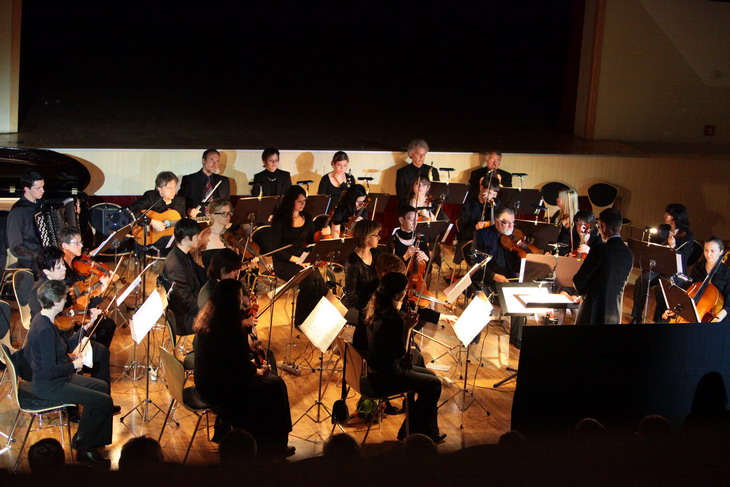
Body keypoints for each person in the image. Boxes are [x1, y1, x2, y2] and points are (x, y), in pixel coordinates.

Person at [194, 279, 294, 458]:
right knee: (276, 385)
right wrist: (259, 371)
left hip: (208, 381)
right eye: (240, 297)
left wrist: (252, 365)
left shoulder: (211, 317)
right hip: (220, 388)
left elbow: (230, 360)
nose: (243, 301)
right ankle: (274, 445)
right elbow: (239, 370)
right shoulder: (230, 328)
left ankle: (264, 439)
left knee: (270, 382)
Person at [26, 279, 113, 468]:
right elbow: (49, 371)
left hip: (57, 378)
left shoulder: (44, 319)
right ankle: (85, 449)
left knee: (102, 387)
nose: (67, 301)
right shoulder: (44, 329)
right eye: (64, 298)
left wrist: (86, 327)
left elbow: (64, 346)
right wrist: (74, 365)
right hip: (50, 385)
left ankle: (87, 438)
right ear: (56, 302)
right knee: (103, 401)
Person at [362, 272, 445, 442]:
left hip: (375, 370)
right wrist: (408, 328)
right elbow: (400, 353)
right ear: (397, 295)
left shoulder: (374, 307)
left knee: (423, 365)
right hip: (387, 377)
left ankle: (425, 428)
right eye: (405, 290)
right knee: (434, 384)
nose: (407, 294)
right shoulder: (394, 319)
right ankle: (412, 431)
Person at [29, 246, 114, 387]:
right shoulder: (38, 294)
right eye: (59, 267)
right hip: (54, 344)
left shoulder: (59, 285)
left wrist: (88, 314)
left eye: (63, 264)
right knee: (101, 352)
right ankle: (92, 390)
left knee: (103, 340)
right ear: (46, 271)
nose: (64, 269)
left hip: (66, 337)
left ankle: (95, 389)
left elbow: (72, 310)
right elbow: (51, 334)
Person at [269, 185, 328, 327]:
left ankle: (314, 319)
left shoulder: (307, 218)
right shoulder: (280, 220)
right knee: (309, 282)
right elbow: (275, 250)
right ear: (291, 201)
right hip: (284, 262)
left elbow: (310, 240)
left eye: (304, 201)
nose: (303, 204)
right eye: (299, 201)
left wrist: (323, 234)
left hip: (302, 259)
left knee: (321, 284)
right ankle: (301, 321)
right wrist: (297, 260)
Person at [630, 203, 695, 323]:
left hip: (675, 272)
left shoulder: (688, 236)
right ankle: (636, 316)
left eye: (667, 213)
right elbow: (653, 248)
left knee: (662, 287)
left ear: (675, 217)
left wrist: (673, 247)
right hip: (659, 267)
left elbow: (684, 257)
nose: (664, 215)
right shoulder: (663, 230)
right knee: (642, 280)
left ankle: (659, 321)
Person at [56, 226, 117, 349]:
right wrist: (101, 289)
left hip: (82, 306)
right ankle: (92, 353)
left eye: (81, 242)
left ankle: (95, 353)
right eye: (77, 243)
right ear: (65, 246)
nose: (81, 246)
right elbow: (78, 302)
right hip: (71, 315)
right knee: (107, 325)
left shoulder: (75, 263)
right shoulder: (62, 272)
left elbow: (83, 293)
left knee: (108, 324)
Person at [573, 208, 633, 325]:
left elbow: (579, 280)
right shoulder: (629, 253)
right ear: (620, 226)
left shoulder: (599, 250)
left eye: (599, 226)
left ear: (604, 227)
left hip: (593, 309)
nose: (599, 231)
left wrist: (585, 293)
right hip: (614, 311)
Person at [663, 237, 729, 323]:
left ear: (721, 252)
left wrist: (717, 318)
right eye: (706, 250)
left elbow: (729, 303)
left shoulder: (727, 273)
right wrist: (676, 309)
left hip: (714, 316)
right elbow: (689, 291)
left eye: (712, 251)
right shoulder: (698, 267)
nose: (708, 254)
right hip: (693, 310)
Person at [127, 171, 187, 253]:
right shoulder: (151, 197)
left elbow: (182, 221)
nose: (173, 191)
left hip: (172, 241)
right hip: (148, 240)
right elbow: (130, 210)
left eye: (174, 187)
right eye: (169, 188)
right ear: (159, 189)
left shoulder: (180, 201)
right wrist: (151, 222)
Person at [163, 218, 205, 336]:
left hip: (193, 301)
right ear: (186, 238)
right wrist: (210, 310)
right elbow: (186, 301)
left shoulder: (182, 253)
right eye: (197, 236)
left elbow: (198, 272)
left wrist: (217, 278)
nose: (200, 238)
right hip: (185, 319)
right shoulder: (176, 266)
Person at [6, 169, 45, 272]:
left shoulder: (42, 205)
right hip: (30, 263)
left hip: (46, 259)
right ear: (26, 189)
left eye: (43, 186)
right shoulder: (17, 212)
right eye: (38, 188)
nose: (43, 191)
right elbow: (16, 248)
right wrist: (38, 257)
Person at [455, 176, 500, 264]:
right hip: (471, 239)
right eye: (489, 193)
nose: (491, 197)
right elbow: (463, 234)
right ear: (481, 188)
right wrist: (475, 227)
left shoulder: (495, 204)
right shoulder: (468, 206)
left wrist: (492, 208)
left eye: (494, 195)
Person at [343, 219, 382, 316]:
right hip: (358, 308)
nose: (379, 238)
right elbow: (351, 296)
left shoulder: (375, 254)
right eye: (376, 235)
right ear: (367, 237)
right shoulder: (352, 262)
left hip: (373, 304)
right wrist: (372, 308)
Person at [194, 198, 245, 269]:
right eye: (223, 213)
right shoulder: (204, 236)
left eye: (229, 213)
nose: (228, 216)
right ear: (213, 215)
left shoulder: (231, 234)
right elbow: (196, 262)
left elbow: (233, 267)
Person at [179, 149, 231, 217]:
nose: (215, 164)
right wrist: (189, 211)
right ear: (203, 160)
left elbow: (227, 204)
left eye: (217, 161)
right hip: (197, 219)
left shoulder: (224, 181)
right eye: (211, 160)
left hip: (217, 219)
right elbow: (181, 203)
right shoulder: (189, 179)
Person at [395, 139, 439, 207]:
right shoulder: (402, 172)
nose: (422, 157)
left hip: (429, 206)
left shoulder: (433, 171)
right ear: (410, 154)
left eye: (423, 154)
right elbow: (401, 195)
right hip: (409, 207)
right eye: (418, 154)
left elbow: (435, 193)